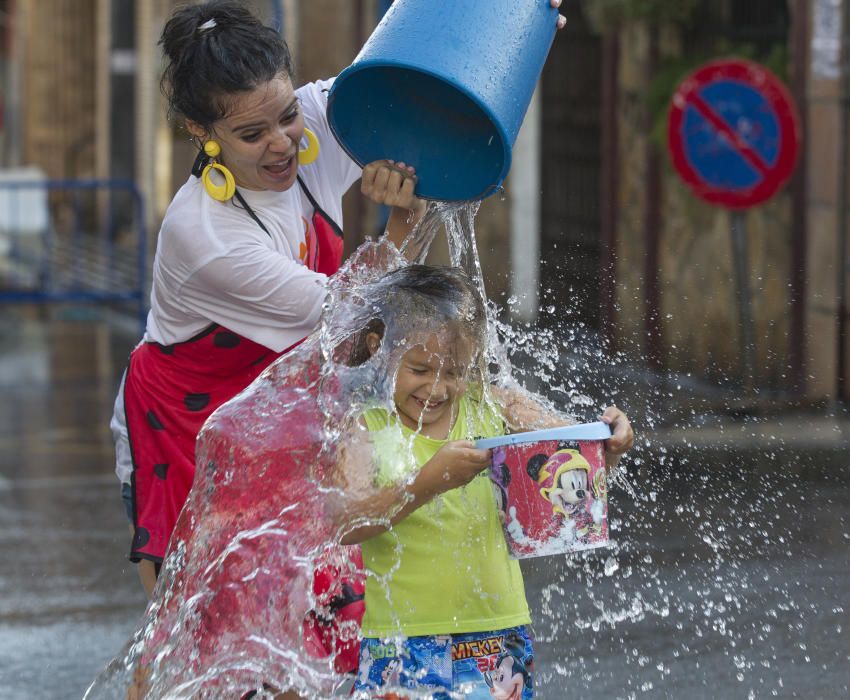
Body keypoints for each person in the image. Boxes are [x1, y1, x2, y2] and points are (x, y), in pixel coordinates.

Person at [109, 0, 427, 598]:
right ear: (200, 133)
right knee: (195, 636)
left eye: (287, 117)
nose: (282, 144)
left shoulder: (314, 118)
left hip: (283, 404)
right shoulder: (206, 236)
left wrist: (509, 23)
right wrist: (401, 229)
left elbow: (409, 73)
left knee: (315, 619)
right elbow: (358, 325)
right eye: (252, 134)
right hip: (188, 429)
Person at [328, 265, 634, 699]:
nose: (436, 387)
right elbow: (343, 521)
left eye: (453, 372)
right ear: (381, 349)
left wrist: (610, 442)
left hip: (498, 642)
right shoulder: (365, 426)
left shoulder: (494, 407)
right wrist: (425, 485)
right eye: (419, 368)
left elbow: (575, 458)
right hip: (402, 646)